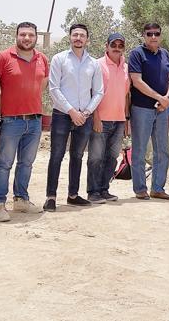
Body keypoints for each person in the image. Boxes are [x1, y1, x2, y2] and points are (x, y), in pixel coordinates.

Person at [0, 22, 49, 221]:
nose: (26, 38)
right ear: (16, 36)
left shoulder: (42, 59)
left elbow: (42, 85)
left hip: (34, 120)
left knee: (26, 163)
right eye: (23, 34)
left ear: (35, 37)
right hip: (10, 120)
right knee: (4, 163)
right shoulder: (3, 57)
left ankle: (21, 200)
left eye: (31, 35)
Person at [44, 23, 104, 211]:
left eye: (82, 35)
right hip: (62, 114)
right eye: (75, 35)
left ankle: (73, 195)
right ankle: (51, 197)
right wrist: (71, 111)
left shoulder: (93, 64)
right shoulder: (59, 59)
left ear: (87, 39)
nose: (78, 38)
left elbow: (99, 91)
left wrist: (86, 113)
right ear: (69, 37)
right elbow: (53, 88)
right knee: (56, 155)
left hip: (84, 117)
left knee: (77, 156)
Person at [128, 23, 169, 200]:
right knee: (139, 150)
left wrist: (167, 97)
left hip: (162, 110)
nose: (153, 37)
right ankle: (140, 188)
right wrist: (159, 98)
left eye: (156, 33)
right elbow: (137, 81)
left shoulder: (164, 54)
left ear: (160, 35)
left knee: (162, 150)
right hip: (142, 109)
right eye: (150, 34)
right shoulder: (136, 54)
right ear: (144, 35)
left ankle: (158, 187)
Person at [87, 32, 130, 204]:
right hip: (101, 118)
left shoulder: (126, 67)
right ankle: (93, 192)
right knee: (96, 157)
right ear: (107, 46)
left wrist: (126, 119)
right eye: (114, 45)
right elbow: (92, 93)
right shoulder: (97, 65)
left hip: (119, 120)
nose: (117, 48)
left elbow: (126, 95)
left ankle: (104, 189)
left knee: (112, 157)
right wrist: (95, 117)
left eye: (120, 46)